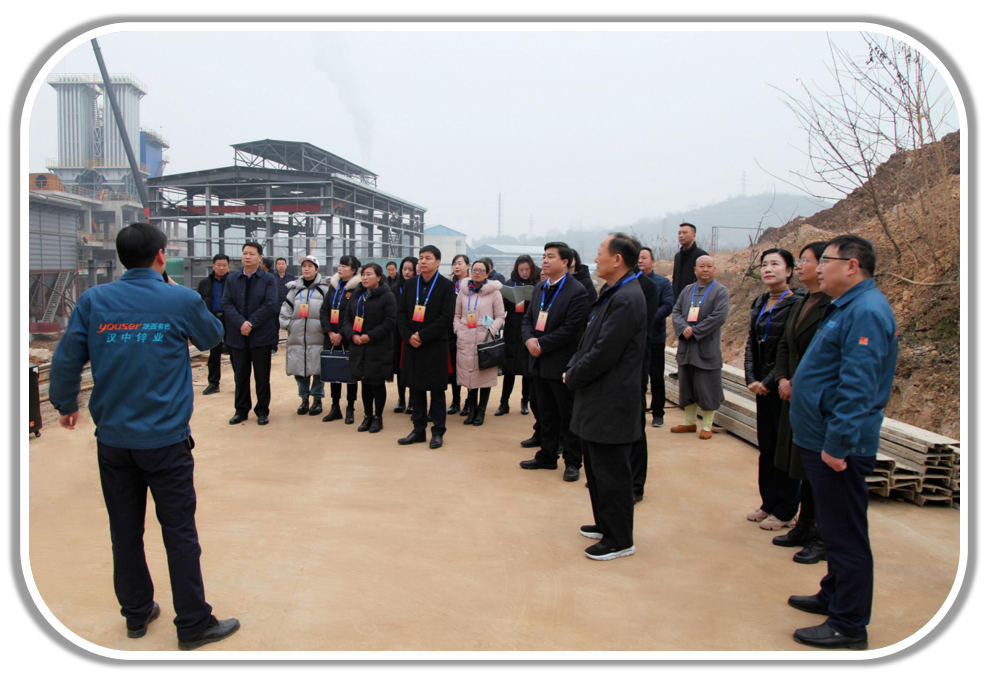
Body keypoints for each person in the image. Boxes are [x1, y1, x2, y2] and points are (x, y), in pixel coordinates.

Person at [48, 222, 240, 650]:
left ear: (120, 258)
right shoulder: (180, 298)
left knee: (125, 530)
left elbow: (67, 357)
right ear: (161, 256)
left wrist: (65, 404)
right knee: (179, 532)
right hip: (166, 441)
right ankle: (193, 624)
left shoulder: (94, 300)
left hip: (114, 441)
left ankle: (136, 613)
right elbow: (213, 337)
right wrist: (175, 292)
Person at [787, 235, 898, 651]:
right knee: (835, 528)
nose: (818, 268)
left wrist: (838, 444)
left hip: (839, 446)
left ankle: (849, 624)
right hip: (821, 436)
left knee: (846, 533)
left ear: (851, 266)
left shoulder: (866, 311)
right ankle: (833, 592)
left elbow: (858, 386)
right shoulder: (845, 306)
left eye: (826, 261)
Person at [566, 233, 647, 560]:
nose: (595, 259)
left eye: (600, 253)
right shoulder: (613, 292)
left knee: (612, 472)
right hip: (598, 396)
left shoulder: (627, 298)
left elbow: (604, 352)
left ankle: (619, 539)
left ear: (617, 259)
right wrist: (574, 366)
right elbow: (589, 341)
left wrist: (574, 374)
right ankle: (605, 524)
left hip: (612, 398)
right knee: (597, 469)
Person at [772, 241, 832, 564]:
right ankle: (804, 525)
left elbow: (821, 355)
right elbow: (786, 344)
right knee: (803, 466)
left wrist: (797, 383)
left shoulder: (832, 306)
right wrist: (783, 378)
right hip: (795, 394)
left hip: (813, 396)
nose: (801, 265)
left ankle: (821, 536)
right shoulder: (803, 301)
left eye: (805, 260)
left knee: (819, 473)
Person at [520, 242, 591, 482]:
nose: (545, 260)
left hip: (561, 362)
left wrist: (542, 344)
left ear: (565, 262)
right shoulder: (540, 287)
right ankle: (547, 455)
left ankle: (572, 461)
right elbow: (528, 319)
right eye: (544, 256)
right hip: (538, 361)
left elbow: (572, 328)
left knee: (567, 415)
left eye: (551, 256)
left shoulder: (577, 290)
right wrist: (529, 340)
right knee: (545, 413)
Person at [744, 249, 803, 531]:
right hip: (762, 386)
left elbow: (788, 348)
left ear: (789, 271)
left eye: (775, 264)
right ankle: (768, 502)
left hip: (781, 386)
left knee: (784, 449)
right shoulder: (759, 301)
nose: (768, 269)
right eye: (764, 264)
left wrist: (768, 381)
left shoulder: (797, 304)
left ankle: (786, 509)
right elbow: (751, 343)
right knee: (766, 446)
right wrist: (751, 377)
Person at [396, 245, 456, 448]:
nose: (422, 261)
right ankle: (418, 430)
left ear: (437, 262)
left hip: (434, 345)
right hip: (412, 345)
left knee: (437, 391)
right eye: (421, 257)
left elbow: (446, 318)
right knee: (416, 390)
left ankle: (438, 432)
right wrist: (408, 336)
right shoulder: (410, 284)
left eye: (427, 258)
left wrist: (422, 336)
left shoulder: (446, 286)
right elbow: (401, 313)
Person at [669, 255, 729, 439]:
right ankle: (689, 422)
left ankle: (707, 425)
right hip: (687, 347)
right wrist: (683, 328)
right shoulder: (687, 290)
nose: (705, 269)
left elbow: (719, 316)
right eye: (702, 266)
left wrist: (695, 331)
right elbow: (676, 311)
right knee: (687, 384)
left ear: (714, 269)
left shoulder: (720, 291)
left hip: (706, 346)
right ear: (695, 270)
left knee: (707, 386)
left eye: (709, 266)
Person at [223, 241, 279, 426]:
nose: (247, 257)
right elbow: (227, 304)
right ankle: (241, 410)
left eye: (252, 254)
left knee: (262, 376)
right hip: (238, 335)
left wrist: (251, 323)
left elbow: (270, 304)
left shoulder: (268, 279)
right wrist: (241, 323)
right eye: (245, 253)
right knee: (240, 375)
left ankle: (262, 411)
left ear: (260, 257)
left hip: (260, 336)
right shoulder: (232, 279)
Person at [340, 263, 397, 433]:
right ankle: (367, 416)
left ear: (379, 277)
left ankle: (378, 417)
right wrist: (352, 335)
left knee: (377, 383)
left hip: (378, 347)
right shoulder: (357, 294)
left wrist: (369, 336)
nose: (365, 278)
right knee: (365, 382)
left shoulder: (387, 296)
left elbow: (390, 322)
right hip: (359, 346)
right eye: (363, 274)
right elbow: (347, 318)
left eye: (369, 274)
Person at [454, 259, 507, 426]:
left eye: (481, 270)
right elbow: (457, 314)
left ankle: (481, 410)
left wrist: (491, 330)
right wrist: (458, 329)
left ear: (487, 273)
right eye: (474, 269)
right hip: (465, 338)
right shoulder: (463, 291)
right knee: (469, 376)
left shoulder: (494, 292)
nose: (477, 273)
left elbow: (500, 316)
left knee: (484, 375)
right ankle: (471, 409)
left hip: (484, 339)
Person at [280, 254, 329, 417]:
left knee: (318, 369)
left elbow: (329, 311)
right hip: (297, 337)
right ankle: (304, 399)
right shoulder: (294, 290)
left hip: (317, 337)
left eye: (310, 266)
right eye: (304, 266)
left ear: (317, 269)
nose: (306, 269)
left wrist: (325, 329)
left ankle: (317, 399)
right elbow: (285, 310)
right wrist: (289, 325)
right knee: (299, 369)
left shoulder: (324, 289)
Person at [630, 256, 659, 505]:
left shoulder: (645, 288)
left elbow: (638, 330)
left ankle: (635, 484)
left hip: (633, 367)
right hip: (612, 370)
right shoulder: (612, 287)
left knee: (634, 425)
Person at [319, 255, 362, 423]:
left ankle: (350, 407)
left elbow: (354, 314)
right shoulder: (334, 286)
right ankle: (335, 407)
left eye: (345, 266)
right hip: (331, 337)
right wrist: (330, 332)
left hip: (348, 337)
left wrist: (342, 334)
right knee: (333, 371)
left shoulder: (357, 288)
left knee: (351, 374)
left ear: (353, 270)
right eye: (340, 265)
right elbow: (324, 310)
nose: (340, 268)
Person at [496, 254, 539, 417]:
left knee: (527, 370)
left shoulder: (537, 284)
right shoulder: (509, 284)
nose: (525, 272)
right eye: (521, 269)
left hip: (529, 331)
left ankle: (525, 401)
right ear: (516, 270)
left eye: (527, 269)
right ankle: (504, 403)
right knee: (509, 370)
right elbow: (502, 307)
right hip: (511, 332)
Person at [638, 247, 674, 427]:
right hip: (636, 339)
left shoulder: (662, 283)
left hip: (655, 337)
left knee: (657, 378)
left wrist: (648, 319)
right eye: (638, 258)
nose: (640, 261)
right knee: (639, 379)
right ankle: (639, 412)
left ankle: (658, 412)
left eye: (644, 257)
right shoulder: (632, 282)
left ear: (652, 261)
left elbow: (667, 305)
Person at [669, 222, 708, 379]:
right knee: (682, 336)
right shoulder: (678, 256)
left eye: (685, 232)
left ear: (694, 235)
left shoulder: (701, 255)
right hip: (680, 303)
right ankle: (682, 369)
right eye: (679, 233)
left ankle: (696, 368)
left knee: (693, 335)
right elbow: (675, 279)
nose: (681, 235)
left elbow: (705, 280)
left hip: (697, 303)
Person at [196, 254, 229, 396]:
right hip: (212, 320)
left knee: (235, 351)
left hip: (230, 320)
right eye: (219, 265)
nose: (221, 268)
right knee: (214, 353)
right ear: (213, 266)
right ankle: (214, 383)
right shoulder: (205, 283)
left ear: (228, 267)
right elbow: (199, 302)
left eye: (224, 265)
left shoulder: (233, 281)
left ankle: (240, 382)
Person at [391, 256, 417, 414]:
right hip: (398, 334)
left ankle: (413, 400)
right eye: (404, 269)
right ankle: (401, 399)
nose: (407, 272)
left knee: (413, 367)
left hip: (413, 333)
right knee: (400, 368)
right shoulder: (395, 289)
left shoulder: (418, 289)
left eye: (410, 269)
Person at [447, 254, 471, 415]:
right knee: (454, 365)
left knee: (468, 366)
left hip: (469, 329)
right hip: (452, 329)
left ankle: (469, 402)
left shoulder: (473, 283)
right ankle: (456, 401)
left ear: (467, 265)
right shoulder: (450, 283)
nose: (457, 266)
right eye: (454, 263)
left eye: (460, 263)